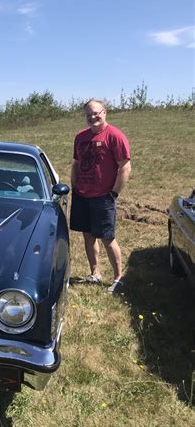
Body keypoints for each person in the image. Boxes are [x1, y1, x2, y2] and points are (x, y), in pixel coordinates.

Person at [70, 99, 131, 293]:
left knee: (107, 237)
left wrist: (113, 193)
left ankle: (118, 277)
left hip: (103, 197)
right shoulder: (80, 137)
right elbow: (76, 163)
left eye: (96, 113)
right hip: (82, 194)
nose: (92, 117)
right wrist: (75, 186)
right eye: (88, 114)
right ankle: (95, 273)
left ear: (105, 112)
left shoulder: (115, 136)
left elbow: (125, 167)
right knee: (88, 236)